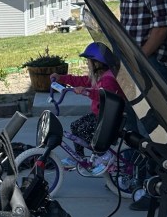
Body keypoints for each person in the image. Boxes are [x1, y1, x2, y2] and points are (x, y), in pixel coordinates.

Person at [103, 0, 167, 210]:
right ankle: (141, 181)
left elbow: (162, 26)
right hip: (130, 67)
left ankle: (161, 189)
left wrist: (140, 61)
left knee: (152, 127)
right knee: (134, 127)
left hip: (148, 67)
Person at [50, 42, 124, 176]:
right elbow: (83, 81)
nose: (87, 64)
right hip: (100, 115)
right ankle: (79, 156)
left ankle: (104, 154)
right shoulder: (99, 76)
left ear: (97, 63)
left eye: (88, 61)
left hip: (109, 119)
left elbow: (105, 96)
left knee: (84, 130)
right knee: (75, 126)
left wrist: (87, 92)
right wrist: (61, 78)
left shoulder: (108, 79)